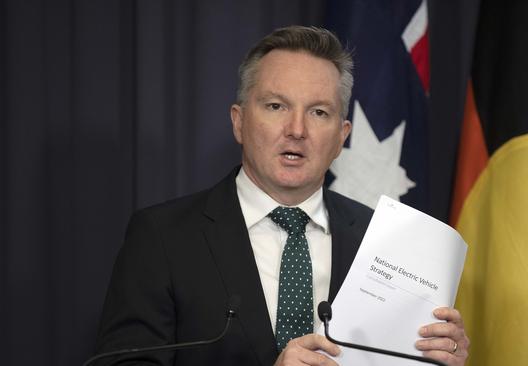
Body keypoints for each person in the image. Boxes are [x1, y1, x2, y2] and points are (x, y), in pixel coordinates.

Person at [94, 25, 469, 366]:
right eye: (276, 106)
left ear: (342, 136)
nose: (296, 129)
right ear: (239, 121)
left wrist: (436, 358)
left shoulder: (384, 240)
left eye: (319, 112)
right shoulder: (163, 237)